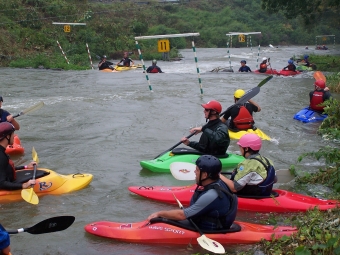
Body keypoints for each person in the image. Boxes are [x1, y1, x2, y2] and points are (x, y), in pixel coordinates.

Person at [148, 155, 237, 230]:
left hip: (209, 229)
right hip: (215, 223)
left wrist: (159, 213)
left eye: (197, 170)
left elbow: (181, 215)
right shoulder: (221, 182)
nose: (194, 172)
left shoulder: (211, 195)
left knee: (158, 220)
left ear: (205, 175)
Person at [0, 122, 37, 190]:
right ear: (7, 136)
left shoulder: (2, 152)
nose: (14, 137)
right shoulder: (1, 156)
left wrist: (25, 167)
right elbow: (1, 183)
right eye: (13, 134)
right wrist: (24, 185)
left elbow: (4, 169)